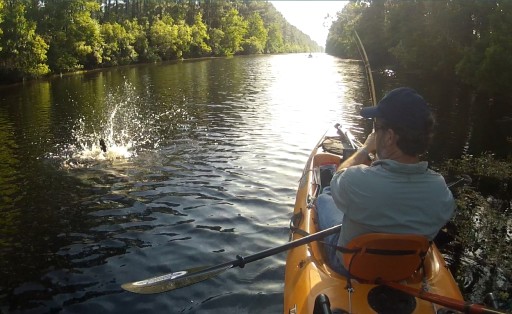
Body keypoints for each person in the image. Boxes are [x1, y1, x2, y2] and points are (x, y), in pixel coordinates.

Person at [316, 87, 456, 275]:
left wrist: (365, 149)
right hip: (404, 270)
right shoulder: (441, 192)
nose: (375, 133)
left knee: (325, 196)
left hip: (350, 265)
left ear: (389, 137)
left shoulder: (355, 180)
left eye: (376, 127)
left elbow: (338, 177)